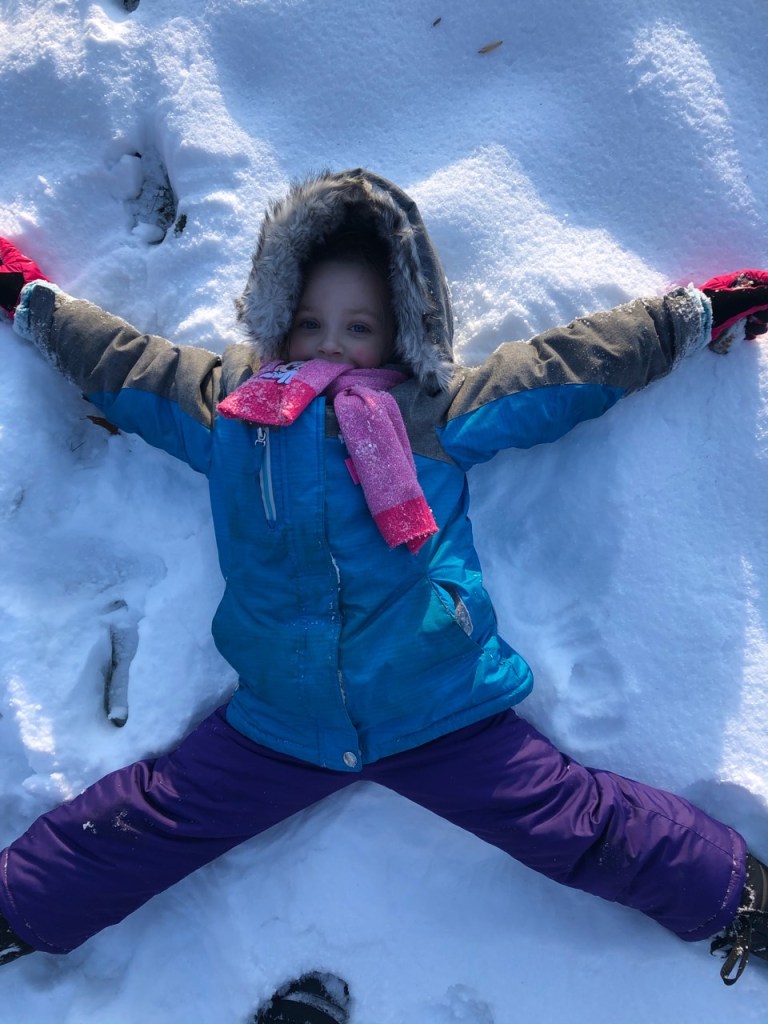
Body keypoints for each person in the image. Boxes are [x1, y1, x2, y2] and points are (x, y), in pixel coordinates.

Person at [2, 169, 768, 1001]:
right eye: (311, 323)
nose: (331, 344)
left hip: (438, 708)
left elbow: (569, 369)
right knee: (154, 817)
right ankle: (18, 906)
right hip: (282, 722)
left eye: (359, 327)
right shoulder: (232, 411)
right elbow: (122, 365)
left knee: (572, 821)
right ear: (277, 322)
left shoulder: (433, 413)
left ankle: (735, 895)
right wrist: (29, 302)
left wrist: (692, 317)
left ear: (403, 331)